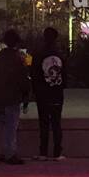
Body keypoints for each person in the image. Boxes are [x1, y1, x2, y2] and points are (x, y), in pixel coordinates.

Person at [0, 28, 31, 165]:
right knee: (11, 126)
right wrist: (26, 96)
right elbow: (22, 79)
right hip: (13, 96)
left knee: (1, 125)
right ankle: (10, 153)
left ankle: (3, 151)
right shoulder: (18, 58)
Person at [31, 26, 65, 160]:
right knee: (56, 122)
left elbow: (34, 74)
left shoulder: (39, 54)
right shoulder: (60, 54)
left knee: (44, 122)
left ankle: (43, 152)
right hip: (56, 92)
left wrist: (34, 90)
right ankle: (57, 152)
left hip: (42, 93)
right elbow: (65, 73)